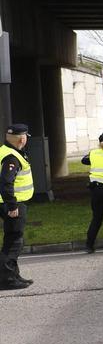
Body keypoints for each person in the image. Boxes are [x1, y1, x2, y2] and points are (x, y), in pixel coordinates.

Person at [0, 124, 34, 290]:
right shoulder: (12, 158)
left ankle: (14, 275)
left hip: (7, 201)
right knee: (13, 241)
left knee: (13, 239)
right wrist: (12, 205)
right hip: (12, 203)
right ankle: (7, 279)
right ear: (22, 138)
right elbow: (6, 183)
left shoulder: (6, 151)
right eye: (27, 136)